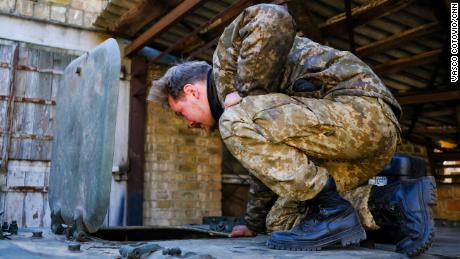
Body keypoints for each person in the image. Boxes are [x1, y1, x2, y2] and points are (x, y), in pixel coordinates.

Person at [147, 4, 435, 256]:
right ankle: (397, 202)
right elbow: (268, 169)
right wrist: (253, 224)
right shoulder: (244, 115)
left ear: (191, 91)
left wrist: (248, 93)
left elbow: (273, 17)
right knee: (280, 220)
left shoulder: (227, 65)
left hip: (364, 114)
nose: (188, 124)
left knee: (234, 121)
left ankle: (333, 211)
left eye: (180, 112)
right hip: (342, 144)